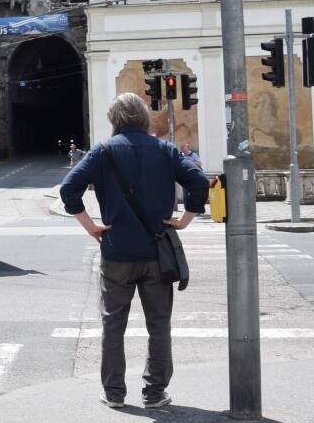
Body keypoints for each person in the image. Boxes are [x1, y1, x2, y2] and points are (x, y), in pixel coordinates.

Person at [60, 93, 209, 410]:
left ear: (114, 119)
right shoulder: (166, 150)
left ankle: (114, 392)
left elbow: (68, 188)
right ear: (143, 117)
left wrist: (90, 226)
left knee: (113, 323)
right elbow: (198, 181)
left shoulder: (102, 152)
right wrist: (184, 219)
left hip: (116, 253)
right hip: (158, 253)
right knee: (159, 324)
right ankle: (154, 393)